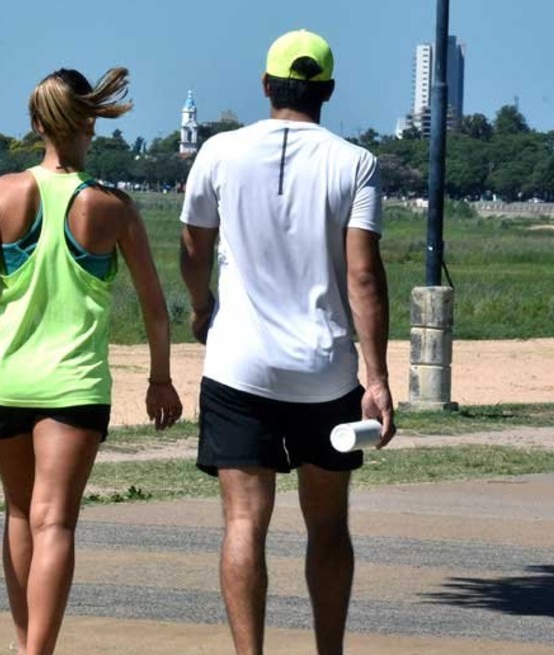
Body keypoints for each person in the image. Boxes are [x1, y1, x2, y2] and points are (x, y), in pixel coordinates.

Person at [0, 67, 182, 655]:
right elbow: (155, 307)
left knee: (20, 514)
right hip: (74, 386)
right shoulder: (114, 206)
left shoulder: (2, 193)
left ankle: (26, 644)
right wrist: (160, 378)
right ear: (90, 122)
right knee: (55, 522)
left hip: (3, 380)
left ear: (36, 124)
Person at [178, 30, 397, 655]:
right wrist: (377, 378)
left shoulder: (219, 151)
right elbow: (363, 275)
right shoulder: (355, 163)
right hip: (326, 371)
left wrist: (202, 306)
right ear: (328, 90)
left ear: (265, 85)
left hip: (239, 365)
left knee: (244, 523)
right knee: (327, 523)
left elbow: (193, 247)